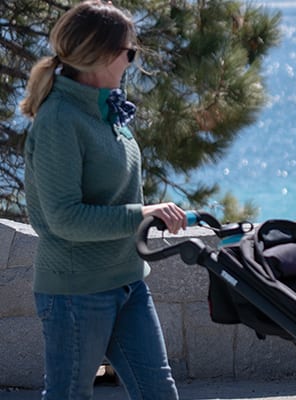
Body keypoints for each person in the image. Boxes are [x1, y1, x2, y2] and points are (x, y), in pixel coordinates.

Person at [17, 1, 190, 398]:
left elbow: (116, 191)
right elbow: (64, 218)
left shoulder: (105, 108)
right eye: (130, 52)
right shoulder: (60, 120)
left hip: (128, 280)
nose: (132, 61)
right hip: (77, 291)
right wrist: (143, 214)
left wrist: (146, 214)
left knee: (159, 391)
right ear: (103, 55)